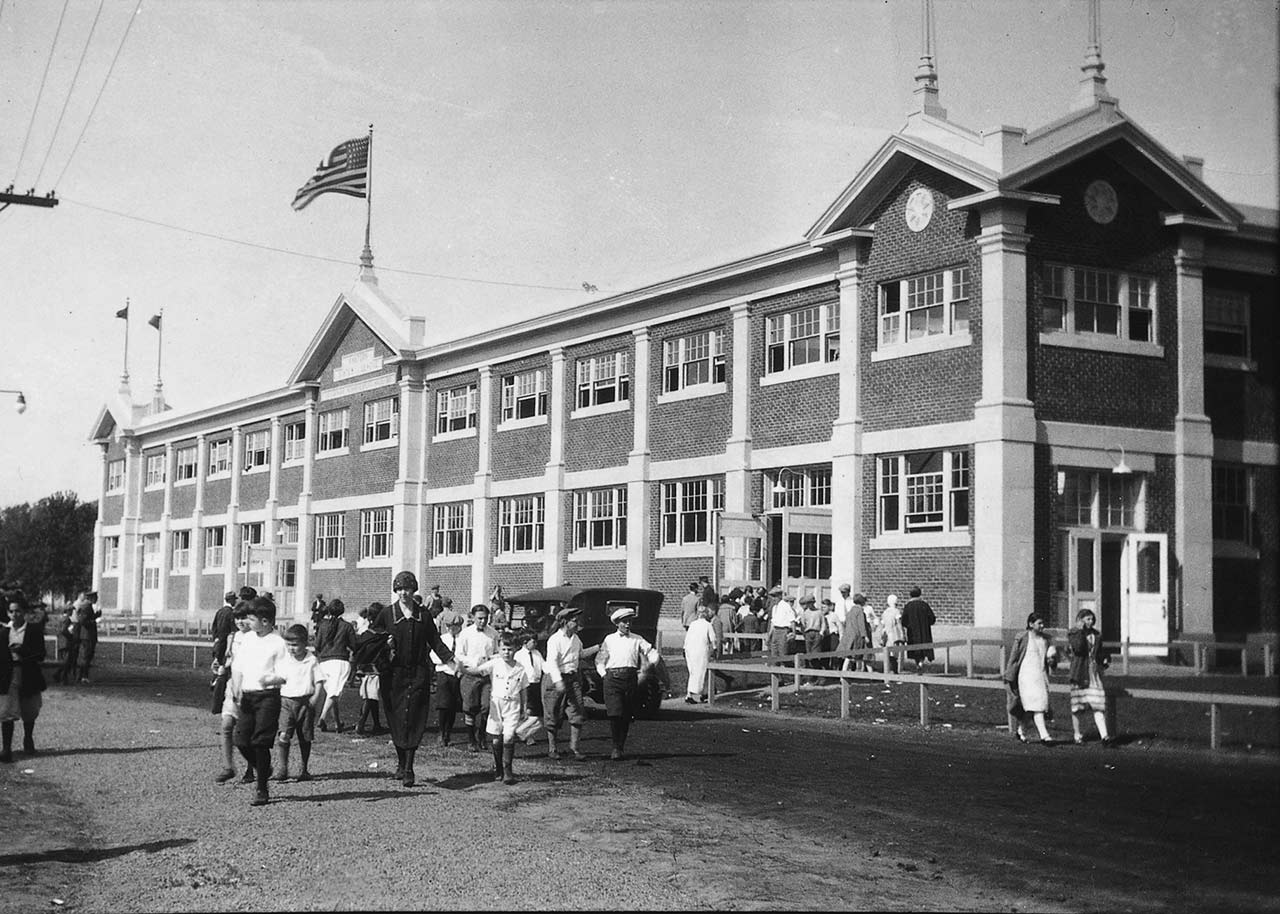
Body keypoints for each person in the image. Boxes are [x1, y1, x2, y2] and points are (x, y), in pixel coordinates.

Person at [381, 571, 455, 788]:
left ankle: (409, 768)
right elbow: (372, 640)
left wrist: (451, 660)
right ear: (396, 590)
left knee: (414, 717)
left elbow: (435, 641)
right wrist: (384, 647)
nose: (404, 593)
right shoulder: (387, 614)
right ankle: (401, 762)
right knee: (396, 718)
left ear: (414, 590)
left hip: (418, 674)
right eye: (400, 589)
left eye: (408, 589)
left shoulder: (423, 615)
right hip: (393, 676)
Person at [229, 596, 289, 806]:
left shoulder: (278, 643)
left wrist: (271, 679)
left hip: (268, 697)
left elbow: (285, 674)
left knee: (260, 743)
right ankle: (263, 768)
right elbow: (238, 666)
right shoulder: (248, 639)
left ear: (265, 621)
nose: (247, 622)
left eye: (251, 619)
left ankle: (262, 789)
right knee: (241, 741)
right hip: (247, 695)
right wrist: (236, 687)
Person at [595, 606, 659, 760]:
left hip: (630, 679)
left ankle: (620, 746)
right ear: (617, 623)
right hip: (612, 679)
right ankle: (615, 747)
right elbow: (600, 660)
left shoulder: (637, 639)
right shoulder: (609, 639)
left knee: (625, 714)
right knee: (614, 713)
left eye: (629, 621)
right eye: (624, 622)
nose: (627, 625)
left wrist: (649, 666)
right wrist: (604, 675)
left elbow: (652, 652)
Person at [470, 630, 529, 785]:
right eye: (503, 649)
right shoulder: (495, 664)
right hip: (497, 705)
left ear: (515, 649)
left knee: (509, 736)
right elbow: (477, 670)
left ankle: (508, 770)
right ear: (499, 649)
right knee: (496, 738)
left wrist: (525, 707)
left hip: (513, 705)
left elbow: (523, 689)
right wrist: (461, 667)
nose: (507, 652)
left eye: (510, 649)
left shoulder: (520, 669)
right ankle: (498, 768)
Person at [273, 624, 323, 783]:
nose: (291, 649)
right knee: (284, 734)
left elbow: (320, 681)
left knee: (305, 737)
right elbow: (278, 677)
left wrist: (315, 697)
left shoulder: (311, 660)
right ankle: (283, 768)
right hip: (286, 702)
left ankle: (304, 768)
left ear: (305, 643)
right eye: (288, 645)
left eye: (295, 645)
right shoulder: (284, 659)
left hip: (305, 703)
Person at [1, 595, 47, 762]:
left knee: (30, 709)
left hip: (28, 673)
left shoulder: (34, 631)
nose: (15, 615)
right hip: (9, 674)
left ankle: (28, 738)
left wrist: (22, 651)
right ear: (8, 613)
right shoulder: (4, 632)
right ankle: (6, 748)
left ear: (24, 612)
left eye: (18, 611)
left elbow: (41, 655)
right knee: (6, 711)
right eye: (11, 611)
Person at [1003, 611, 1058, 745]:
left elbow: (1050, 659)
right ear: (1031, 624)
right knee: (1037, 707)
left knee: (1031, 708)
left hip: (1040, 676)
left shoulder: (1046, 640)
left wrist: (1052, 661)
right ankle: (1045, 736)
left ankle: (1021, 731)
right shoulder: (1023, 638)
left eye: (1043, 623)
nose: (1042, 626)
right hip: (1026, 676)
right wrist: (1009, 675)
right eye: (1039, 623)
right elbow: (1014, 658)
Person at [212, 601, 253, 783]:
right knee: (227, 725)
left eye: (244, 618)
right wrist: (220, 664)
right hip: (233, 685)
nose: (240, 622)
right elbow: (228, 659)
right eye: (237, 618)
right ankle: (229, 766)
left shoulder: (256, 638)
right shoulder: (233, 636)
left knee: (247, 733)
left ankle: (252, 768)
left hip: (251, 687)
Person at [543, 607, 587, 761]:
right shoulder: (554, 640)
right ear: (565, 622)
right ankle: (552, 748)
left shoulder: (576, 639)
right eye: (574, 621)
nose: (577, 624)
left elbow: (580, 654)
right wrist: (558, 681)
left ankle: (574, 748)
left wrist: (597, 648)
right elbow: (552, 663)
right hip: (556, 679)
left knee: (577, 712)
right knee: (553, 713)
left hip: (572, 679)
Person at [1067, 609, 1115, 747]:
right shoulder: (1074, 633)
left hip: (1094, 673)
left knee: (1098, 703)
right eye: (1087, 619)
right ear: (1081, 620)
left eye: (1092, 619)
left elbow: (1099, 652)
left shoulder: (1097, 635)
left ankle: (1104, 736)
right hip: (1080, 673)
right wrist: (1081, 631)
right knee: (1078, 706)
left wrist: (1105, 659)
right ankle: (1077, 735)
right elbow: (1079, 648)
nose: (1091, 622)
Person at [456, 603, 499, 753]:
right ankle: (471, 739)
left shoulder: (493, 634)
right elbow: (459, 655)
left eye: (485, 618)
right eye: (480, 618)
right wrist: (474, 662)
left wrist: (488, 658)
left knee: (486, 707)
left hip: (486, 676)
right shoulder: (466, 634)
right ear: (473, 617)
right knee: (470, 708)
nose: (482, 621)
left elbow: (498, 653)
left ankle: (481, 736)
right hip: (470, 675)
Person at [314, 598, 355, 732]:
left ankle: (337, 723)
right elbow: (354, 645)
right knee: (334, 694)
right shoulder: (347, 626)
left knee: (332, 694)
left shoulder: (322, 625)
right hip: (340, 661)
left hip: (324, 662)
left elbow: (317, 645)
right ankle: (322, 718)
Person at [351, 603, 389, 736]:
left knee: (370, 696)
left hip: (365, 667)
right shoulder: (384, 633)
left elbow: (356, 644)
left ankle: (376, 724)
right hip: (378, 668)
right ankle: (361, 724)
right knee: (370, 697)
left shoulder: (368, 633)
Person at [430, 610, 465, 746]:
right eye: (449, 626)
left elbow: (464, 656)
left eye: (455, 626)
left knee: (453, 706)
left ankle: (448, 732)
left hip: (457, 674)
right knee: (443, 704)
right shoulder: (442, 639)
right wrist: (448, 660)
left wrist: (460, 665)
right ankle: (441, 732)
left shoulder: (463, 639)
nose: (452, 629)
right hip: (444, 672)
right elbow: (433, 656)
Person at [683, 604, 717, 703]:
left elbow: (687, 637)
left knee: (693, 672)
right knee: (700, 672)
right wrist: (714, 649)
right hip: (700, 650)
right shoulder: (708, 625)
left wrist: (684, 648)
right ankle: (694, 695)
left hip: (690, 649)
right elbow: (713, 638)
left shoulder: (693, 624)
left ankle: (698, 693)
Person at [514, 628, 545, 726]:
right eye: (533, 641)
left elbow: (544, 666)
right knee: (527, 708)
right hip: (525, 686)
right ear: (525, 642)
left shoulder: (537, 653)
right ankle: (525, 733)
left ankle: (526, 731)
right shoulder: (518, 655)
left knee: (535, 709)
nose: (536, 644)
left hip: (536, 685)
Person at [902, 586, 936, 673]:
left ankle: (918, 663)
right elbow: (932, 618)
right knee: (924, 648)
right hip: (924, 631)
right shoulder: (924, 605)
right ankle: (921, 663)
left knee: (915, 649)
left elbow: (904, 620)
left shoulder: (908, 606)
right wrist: (926, 623)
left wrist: (908, 626)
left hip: (913, 632)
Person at [52, 599, 81, 685]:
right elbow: (63, 630)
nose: (72, 612)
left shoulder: (61, 618)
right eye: (71, 610)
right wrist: (70, 636)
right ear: (68, 610)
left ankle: (59, 675)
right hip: (66, 642)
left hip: (61, 642)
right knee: (67, 662)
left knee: (66, 661)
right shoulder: (67, 619)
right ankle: (62, 678)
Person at [797, 595, 826, 679]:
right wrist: (804, 634)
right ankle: (811, 676)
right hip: (808, 633)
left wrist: (821, 633)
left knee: (815, 654)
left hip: (816, 633)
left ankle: (818, 676)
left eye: (811, 603)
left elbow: (823, 623)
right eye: (808, 603)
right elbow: (803, 625)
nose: (810, 605)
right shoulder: (805, 613)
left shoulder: (819, 612)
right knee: (809, 655)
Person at [75, 591, 101, 683]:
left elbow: (88, 618)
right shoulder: (86, 607)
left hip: (89, 635)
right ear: (91, 598)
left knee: (88, 656)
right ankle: (82, 676)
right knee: (86, 656)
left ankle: (82, 676)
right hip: (87, 636)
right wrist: (94, 621)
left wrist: (96, 615)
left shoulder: (88, 607)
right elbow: (83, 621)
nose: (97, 599)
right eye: (96, 597)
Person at [878, 594, 906, 673]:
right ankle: (895, 670)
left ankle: (888, 669)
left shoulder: (885, 612)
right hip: (895, 634)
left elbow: (882, 624)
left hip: (887, 634)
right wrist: (902, 634)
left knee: (888, 653)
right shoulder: (896, 611)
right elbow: (899, 623)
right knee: (895, 654)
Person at [768, 590, 798, 659]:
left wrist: (794, 633)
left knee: (783, 651)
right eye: (772, 597)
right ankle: (775, 668)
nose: (773, 599)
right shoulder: (774, 607)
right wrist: (769, 635)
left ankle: (783, 667)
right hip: (775, 631)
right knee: (774, 651)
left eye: (775, 596)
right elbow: (773, 623)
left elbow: (792, 620)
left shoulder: (786, 606)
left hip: (783, 631)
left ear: (779, 596)